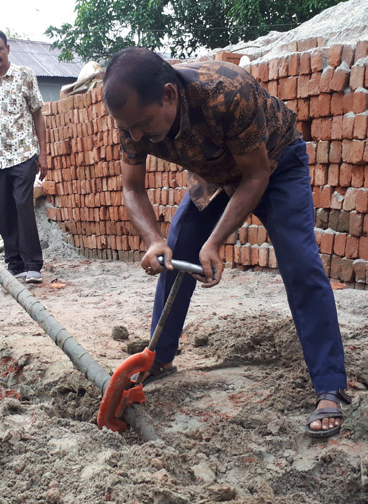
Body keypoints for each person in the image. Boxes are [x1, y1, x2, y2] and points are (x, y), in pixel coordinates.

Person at [103, 47, 349, 438]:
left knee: (301, 265)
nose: (135, 136)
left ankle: (330, 385)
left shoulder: (226, 92)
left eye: (142, 125)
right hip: (214, 173)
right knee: (177, 253)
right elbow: (132, 187)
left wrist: (216, 241)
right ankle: (160, 359)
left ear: (169, 94)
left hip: (274, 164)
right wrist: (153, 240)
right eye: (128, 128)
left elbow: (255, 176)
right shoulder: (131, 113)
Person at [0, 30, 47, 284]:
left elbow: (38, 114)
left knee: (22, 205)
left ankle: (33, 264)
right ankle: (14, 263)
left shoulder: (25, 75)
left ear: (7, 49)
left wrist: (44, 153)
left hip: (24, 154)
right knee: (3, 211)